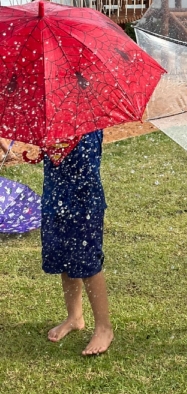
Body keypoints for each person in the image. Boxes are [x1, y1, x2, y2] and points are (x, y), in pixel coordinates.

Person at [39, 130, 113, 356]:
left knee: (87, 260)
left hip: (84, 202)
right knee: (63, 255)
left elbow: (85, 164)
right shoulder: (53, 122)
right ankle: (74, 316)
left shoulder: (87, 123)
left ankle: (104, 327)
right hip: (55, 196)